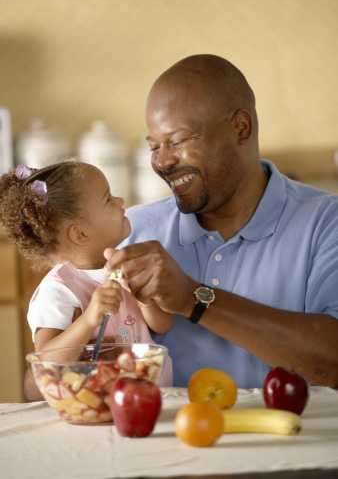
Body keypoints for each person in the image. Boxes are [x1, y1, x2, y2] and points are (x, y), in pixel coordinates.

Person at [105, 54, 338, 389]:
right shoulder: (131, 231)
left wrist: (193, 298)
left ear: (240, 128)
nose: (162, 161)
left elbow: (332, 363)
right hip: (164, 439)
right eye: (154, 146)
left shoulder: (325, 223)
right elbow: (46, 376)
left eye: (178, 141)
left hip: (294, 437)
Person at [0, 161, 172, 400]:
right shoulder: (59, 290)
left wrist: (145, 297)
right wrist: (89, 319)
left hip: (144, 400)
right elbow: (46, 363)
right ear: (80, 233)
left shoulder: (128, 261)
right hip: (90, 408)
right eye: (108, 199)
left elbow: (162, 326)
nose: (121, 202)